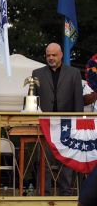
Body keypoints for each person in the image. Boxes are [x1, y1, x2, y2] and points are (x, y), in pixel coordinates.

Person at [32, 42, 83, 196]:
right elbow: (32, 100)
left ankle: (66, 193)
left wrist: (78, 123)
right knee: (44, 161)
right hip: (45, 125)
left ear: (61, 55)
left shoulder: (74, 73)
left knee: (66, 159)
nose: (51, 58)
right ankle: (44, 192)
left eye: (54, 55)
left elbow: (78, 101)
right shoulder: (37, 73)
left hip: (67, 124)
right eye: (48, 55)